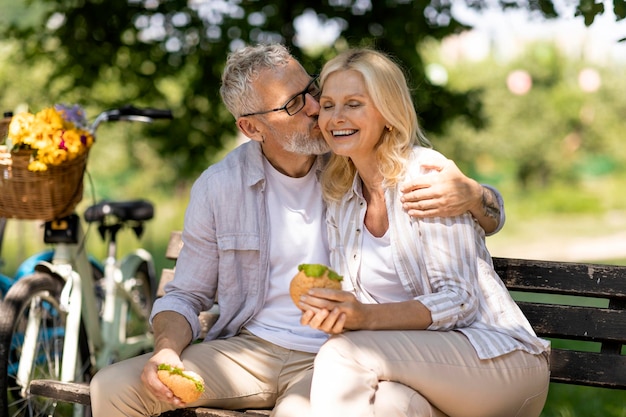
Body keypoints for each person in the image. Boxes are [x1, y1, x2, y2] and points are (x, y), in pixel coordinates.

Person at [89, 43, 506, 417]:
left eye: (310, 89)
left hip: (339, 354)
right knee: (110, 387)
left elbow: (457, 203)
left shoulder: (350, 157)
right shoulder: (220, 187)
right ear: (252, 128)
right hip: (248, 348)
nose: (314, 107)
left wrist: (476, 197)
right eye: (293, 104)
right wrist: (166, 352)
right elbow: (186, 294)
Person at [298, 48, 550, 417]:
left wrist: (364, 317)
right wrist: (336, 312)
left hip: (497, 360)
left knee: (342, 355)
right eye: (329, 104)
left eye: (354, 104)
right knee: (390, 407)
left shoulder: (425, 177)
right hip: (423, 372)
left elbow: (461, 301)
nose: (336, 117)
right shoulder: (342, 194)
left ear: (387, 113)